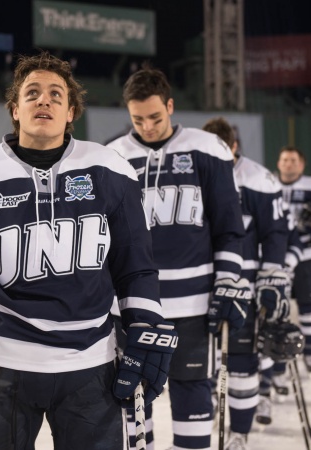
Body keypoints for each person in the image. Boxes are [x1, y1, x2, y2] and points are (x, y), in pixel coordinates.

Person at [0, 51, 177, 450]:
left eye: (57, 94)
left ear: (71, 111)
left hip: (90, 368)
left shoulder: (112, 170)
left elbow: (135, 267)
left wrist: (145, 325)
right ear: (15, 110)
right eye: (32, 93)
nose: (45, 100)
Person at [107, 65, 250, 450]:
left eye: (155, 117)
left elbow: (229, 228)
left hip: (193, 304)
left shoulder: (207, 148)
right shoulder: (112, 156)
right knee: (133, 398)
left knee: (192, 397)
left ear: (170, 106)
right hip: (132, 306)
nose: (148, 126)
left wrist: (228, 281)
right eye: (138, 119)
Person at [203, 117, 290, 450]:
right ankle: (208, 412)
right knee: (203, 361)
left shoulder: (259, 180)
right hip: (202, 285)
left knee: (240, 362)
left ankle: (240, 432)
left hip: (244, 287)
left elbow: (275, 234)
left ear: (234, 146)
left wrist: (272, 277)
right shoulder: (196, 175)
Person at [277, 146, 311, 373]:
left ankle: (310, 351)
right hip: (277, 256)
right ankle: (278, 356)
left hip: (307, 255)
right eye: (284, 160)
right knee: (278, 308)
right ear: (278, 163)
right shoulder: (268, 184)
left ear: (301, 164)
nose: (288, 164)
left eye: (292, 160)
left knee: (308, 305)